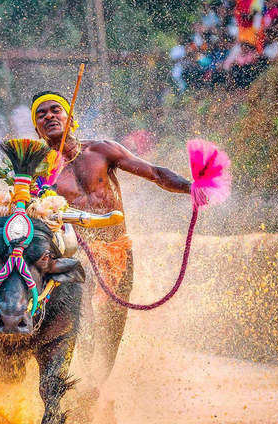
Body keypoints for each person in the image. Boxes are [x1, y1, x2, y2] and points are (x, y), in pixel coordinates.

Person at [29, 91, 192, 404]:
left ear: (69, 117)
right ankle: (79, 388)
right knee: (84, 319)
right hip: (79, 256)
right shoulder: (40, 172)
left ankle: (96, 391)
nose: (49, 117)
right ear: (37, 130)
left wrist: (190, 188)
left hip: (118, 252)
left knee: (113, 327)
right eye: (41, 115)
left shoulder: (101, 150)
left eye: (55, 110)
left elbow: (155, 173)